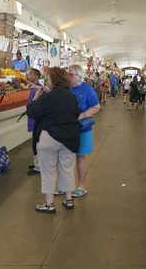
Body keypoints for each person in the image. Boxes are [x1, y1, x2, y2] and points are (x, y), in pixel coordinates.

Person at [27, 67, 80, 213]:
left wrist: (36, 96)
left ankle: (49, 204)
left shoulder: (47, 97)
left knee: (48, 171)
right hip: (70, 138)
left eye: (49, 78)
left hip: (49, 137)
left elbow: (32, 111)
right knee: (67, 169)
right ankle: (69, 199)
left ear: (54, 79)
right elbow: (76, 113)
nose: (48, 80)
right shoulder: (71, 96)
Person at [60, 64, 101, 198]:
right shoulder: (66, 88)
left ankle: (80, 186)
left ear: (79, 76)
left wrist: (81, 116)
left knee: (80, 156)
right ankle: (64, 185)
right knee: (64, 157)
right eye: (68, 74)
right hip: (66, 127)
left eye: (71, 74)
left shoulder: (88, 89)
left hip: (82, 128)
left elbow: (96, 107)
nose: (69, 77)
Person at [26, 68, 43, 175]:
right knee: (34, 143)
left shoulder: (39, 89)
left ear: (37, 76)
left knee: (37, 143)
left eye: (30, 74)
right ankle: (36, 163)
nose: (28, 76)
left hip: (38, 121)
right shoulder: (33, 88)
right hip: (33, 119)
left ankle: (38, 166)